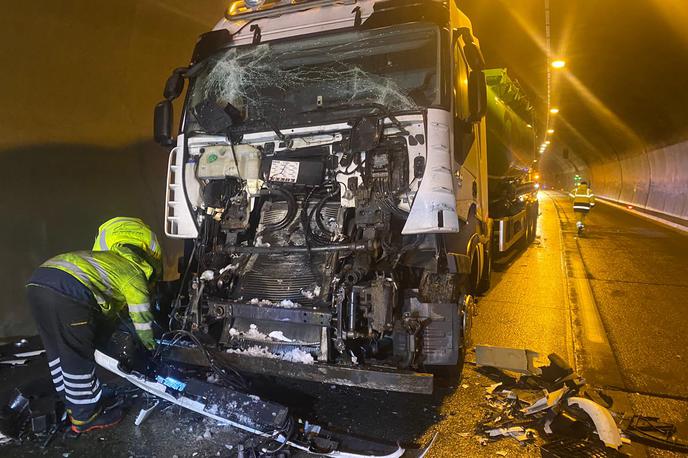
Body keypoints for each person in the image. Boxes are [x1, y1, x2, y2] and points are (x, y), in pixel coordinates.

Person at [25, 217, 162, 433]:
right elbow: (141, 317)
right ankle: (84, 417)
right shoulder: (135, 275)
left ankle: (73, 402)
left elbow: (106, 312)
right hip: (68, 292)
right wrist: (150, 346)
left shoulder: (108, 262)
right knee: (76, 355)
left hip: (37, 283)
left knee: (57, 351)